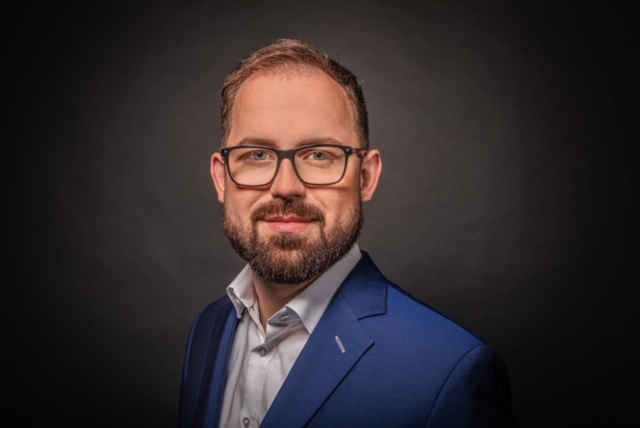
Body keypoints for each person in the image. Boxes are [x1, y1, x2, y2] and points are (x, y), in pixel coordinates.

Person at [178, 38, 517, 428]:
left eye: (319, 155)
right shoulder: (208, 329)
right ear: (222, 179)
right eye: (257, 155)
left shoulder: (450, 372)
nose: (285, 186)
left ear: (366, 177)